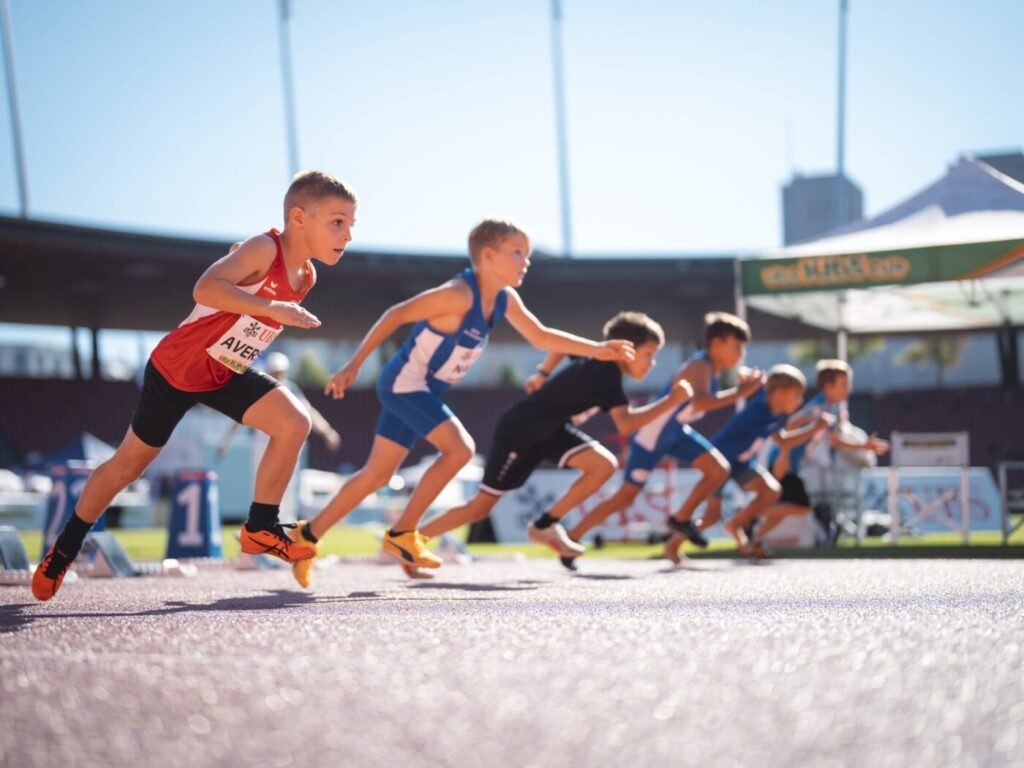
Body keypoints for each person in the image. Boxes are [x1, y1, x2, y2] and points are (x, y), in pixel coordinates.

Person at [31, 171, 357, 601]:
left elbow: (245, 319)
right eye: (338, 222)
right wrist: (269, 305)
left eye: (352, 225)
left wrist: (264, 306)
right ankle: (64, 548)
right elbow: (204, 287)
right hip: (177, 370)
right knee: (128, 467)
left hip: (225, 370)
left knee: (294, 423)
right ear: (298, 218)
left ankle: (260, 527)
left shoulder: (307, 276)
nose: (348, 235)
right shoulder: (264, 248)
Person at [289, 219, 633, 587]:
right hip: (405, 385)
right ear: (488, 256)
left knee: (375, 475)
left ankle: (304, 538)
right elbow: (396, 314)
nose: (525, 262)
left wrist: (596, 349)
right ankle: (403, 533)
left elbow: (540, 335)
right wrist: (354, 365)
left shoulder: (503, 298)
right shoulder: (457, 295)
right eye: (517, 253)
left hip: (422, 390)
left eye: (527, 255)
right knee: (460, 450)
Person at [417, 312, 693, 566]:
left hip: (551, 431)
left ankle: (545, 525)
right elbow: (627, 424)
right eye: (648, 354)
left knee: (602, 465)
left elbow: (563, 346)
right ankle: (411, 538)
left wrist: (543, 374)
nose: (652, 363)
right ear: (626, 349)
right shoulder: (606, 371)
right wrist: (672, 401)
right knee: (479, 508)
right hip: (520, 430)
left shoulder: (599, 362)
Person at [557, 312, 764, 569]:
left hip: (676, 431)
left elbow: (699, 403)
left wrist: (739, 389)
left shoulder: (709, 369)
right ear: (717, 344)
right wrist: (742, 392)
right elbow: (701, 402)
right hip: (653, 434)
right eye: (736, 346)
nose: (741, 354)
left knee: (718, 469)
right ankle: (572, 538)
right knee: (624, 497)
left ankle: (680, 518)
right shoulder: (700, 365)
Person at [664, 364, 833, 558]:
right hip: (720, 463)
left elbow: (784, 441)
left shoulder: (777, 414)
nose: (799, 401)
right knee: (712, 516)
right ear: (779, 393)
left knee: (772, 491)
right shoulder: (759, 409)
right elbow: (755, 383)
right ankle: (674, 544)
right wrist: (744, 375)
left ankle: (735, 524)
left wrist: (811, 430)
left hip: (741, 463)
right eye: (796, 395)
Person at [762, 359, 889, 543]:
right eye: (844, 384)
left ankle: (754, 534)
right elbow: (834, 441)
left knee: (794, 505)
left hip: (790, 463)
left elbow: (796, 424)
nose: (849, 389)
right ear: (828, 386)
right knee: (797, 505)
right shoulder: (821, 406)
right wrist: (864, 446)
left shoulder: (826, 406)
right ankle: (750, 516)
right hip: (783, 462)